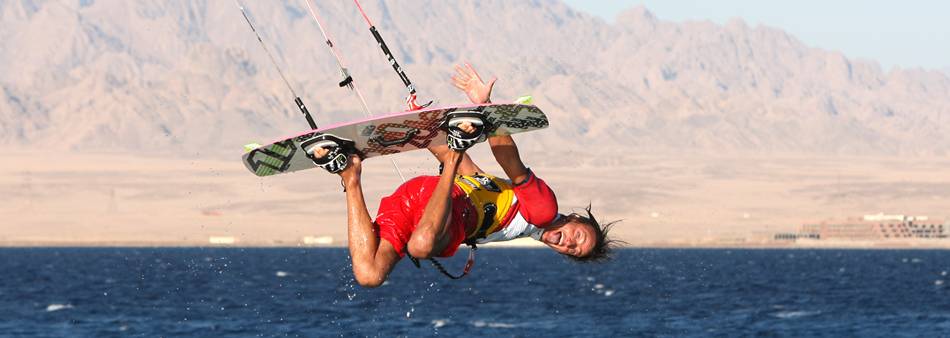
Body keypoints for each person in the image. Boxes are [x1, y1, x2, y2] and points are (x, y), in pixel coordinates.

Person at [309, 64, 620, 287]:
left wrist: (426, 124)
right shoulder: (542, 210)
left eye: (573, 251)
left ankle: (349, 176)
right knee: (420, 247)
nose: (568, 244)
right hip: (444, 207)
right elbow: (511, 161)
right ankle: (456, 150)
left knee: (370, 276)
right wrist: (486, 109)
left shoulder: (517, 220)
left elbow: (471, 175)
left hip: (417, 206)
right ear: (575, 219)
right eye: (577, 237)